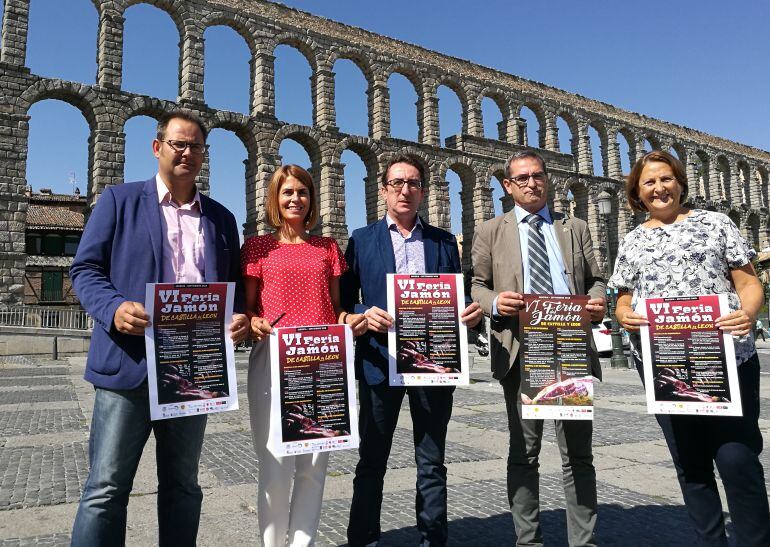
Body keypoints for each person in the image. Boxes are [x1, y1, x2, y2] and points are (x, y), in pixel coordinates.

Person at [69, 110, 249, 546]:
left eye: (196, 146)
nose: (187, 152)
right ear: (157, 148)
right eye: (178, 144)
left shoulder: (222, 219)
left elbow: (236, 284)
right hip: (129, 364)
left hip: (194, 372)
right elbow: (85, 270)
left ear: (205, 155)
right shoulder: (119, 200)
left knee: (184, 486)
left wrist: (239, 314)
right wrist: (113, 308)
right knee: (106, 488)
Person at [609, 150, 770, 546]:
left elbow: (748, 283)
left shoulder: (717, 224)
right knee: (691, 464)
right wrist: (624, 313)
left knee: (737, 458)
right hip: (665, 363)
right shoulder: (632, 240)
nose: (659, 188)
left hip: (726, 358)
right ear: (637, 192)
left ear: (680, 183)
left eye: (666, 179)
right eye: (649, 182)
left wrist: (748, 314)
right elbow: (623, 298)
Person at [342, 154, 483, 547]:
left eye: (414, 183)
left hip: (434, 365)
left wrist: (469, 311)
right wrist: (361, 313)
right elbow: (343, 300)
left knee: (432, 461)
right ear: (384, 189)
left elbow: (458, 295)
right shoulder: (362, 238)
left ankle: (433, 539)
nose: (406, 190)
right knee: (372, 461)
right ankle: (363, 539)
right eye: (398, 183)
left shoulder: (442, 241)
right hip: (379, 364)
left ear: (423, 191)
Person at [471, 150, 606, 547]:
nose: (532, 183)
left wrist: (597, 301)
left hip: (571, 350)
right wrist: (495, 302)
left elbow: (597, 278)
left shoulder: (574, 227)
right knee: (524, 453)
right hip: (521, 351)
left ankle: (584, 542)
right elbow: (477, 285)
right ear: (508, 186)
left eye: (538, 175)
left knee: (578, 455)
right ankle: (528, 541)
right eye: (522, 178)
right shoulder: (490, 230)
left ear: (548, 180)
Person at [242, 165, 367, 547]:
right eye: (287, 192)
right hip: (273, 359)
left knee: (314, 466)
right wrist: (255, 322)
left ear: (312, 200)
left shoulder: (328, 247)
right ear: (275, 200)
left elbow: (335, 306)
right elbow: (247, 310)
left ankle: (303, 543)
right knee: (275, 463)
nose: (295, 198)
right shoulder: (257, 247)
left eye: (302, 192)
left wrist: (350, 319)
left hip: (324, 360)